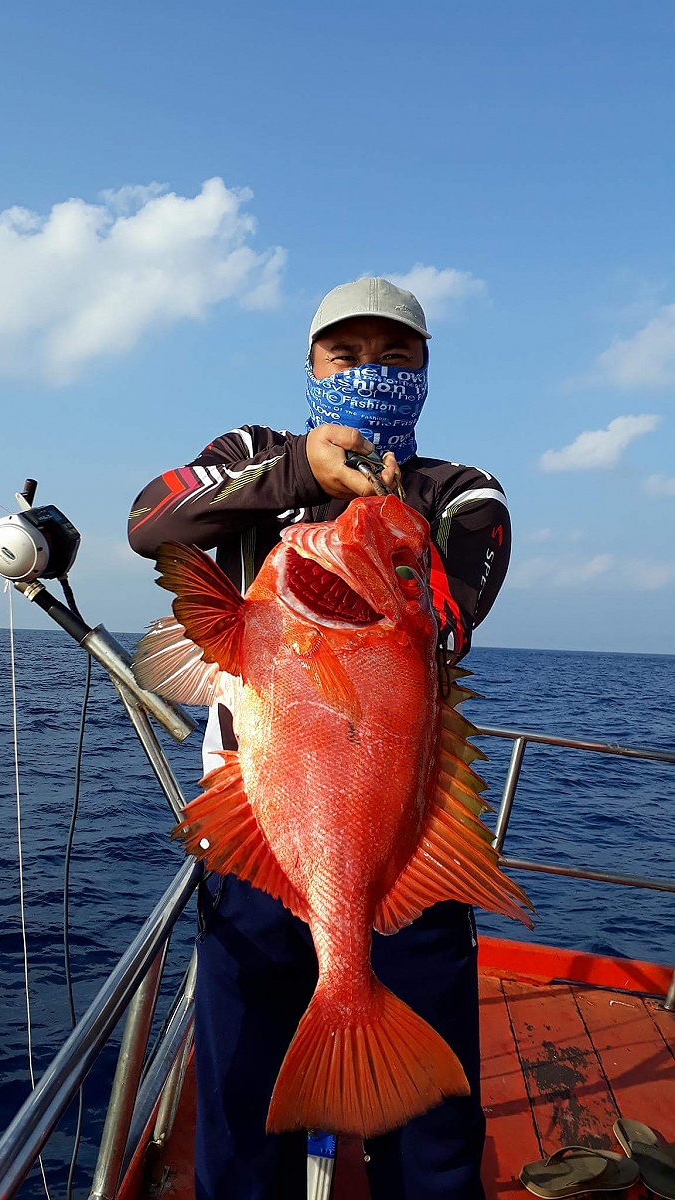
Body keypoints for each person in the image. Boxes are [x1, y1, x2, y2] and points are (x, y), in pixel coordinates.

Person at [127, 277, 511, 1200]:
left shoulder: (459, 491)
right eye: (347, 354)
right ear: (310, 365)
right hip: (257, 821)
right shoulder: (253, 456)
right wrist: (302, 471)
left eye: (395, 354)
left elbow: (451, 610)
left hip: (398, 835)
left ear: (426, 370)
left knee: (433, 1122)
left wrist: (382, 524)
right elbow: (152, 520)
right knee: (239, 1087)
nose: (370, 371)